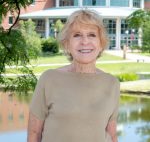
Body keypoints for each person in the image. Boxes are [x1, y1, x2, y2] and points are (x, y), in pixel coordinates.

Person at [27, 9, 120, 142]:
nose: (85, 41)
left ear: (101, 43)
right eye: (77, 35)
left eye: (92, 35)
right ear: (67, 44)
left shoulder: (112, 83)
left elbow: (112, 135)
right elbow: (34, 134)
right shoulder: (49, 79)